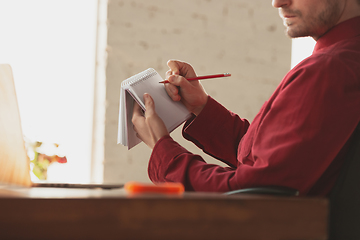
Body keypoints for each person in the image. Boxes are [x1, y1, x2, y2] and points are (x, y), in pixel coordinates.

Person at [132, 0, 360, 196]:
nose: (277, 2)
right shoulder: (345, 59)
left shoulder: (328, 70)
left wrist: (163, 150)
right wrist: (201, 106)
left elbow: (257, 191)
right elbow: (272, 162)